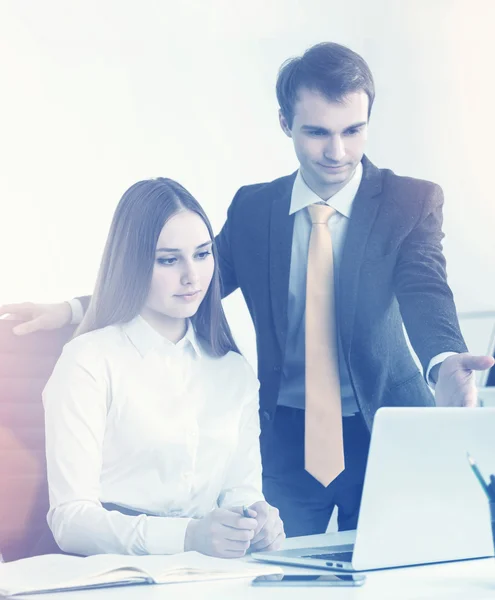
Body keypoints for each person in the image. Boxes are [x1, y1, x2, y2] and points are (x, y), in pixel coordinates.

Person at [2, 43, 494, 539]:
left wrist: (445, 356)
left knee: (393, 573)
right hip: (288, 437)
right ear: (285, 123)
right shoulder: (255, 208)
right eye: (317, 132)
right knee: (271, 567)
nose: (337, 151)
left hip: (386, 430)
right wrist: (71, 309)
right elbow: (187, 273)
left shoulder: (410, 201)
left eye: (353, 130)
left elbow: (425, 287)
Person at [39, 178, 284, 557]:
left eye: (203, 254)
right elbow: (70, 520)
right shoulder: (88, 361)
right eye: (169, 260)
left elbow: (242, 490)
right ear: (132, 263)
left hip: (210, 574)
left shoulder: (232, 371)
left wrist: (256, 521)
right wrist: (186, 537)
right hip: (116, 573)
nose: (192, 276)